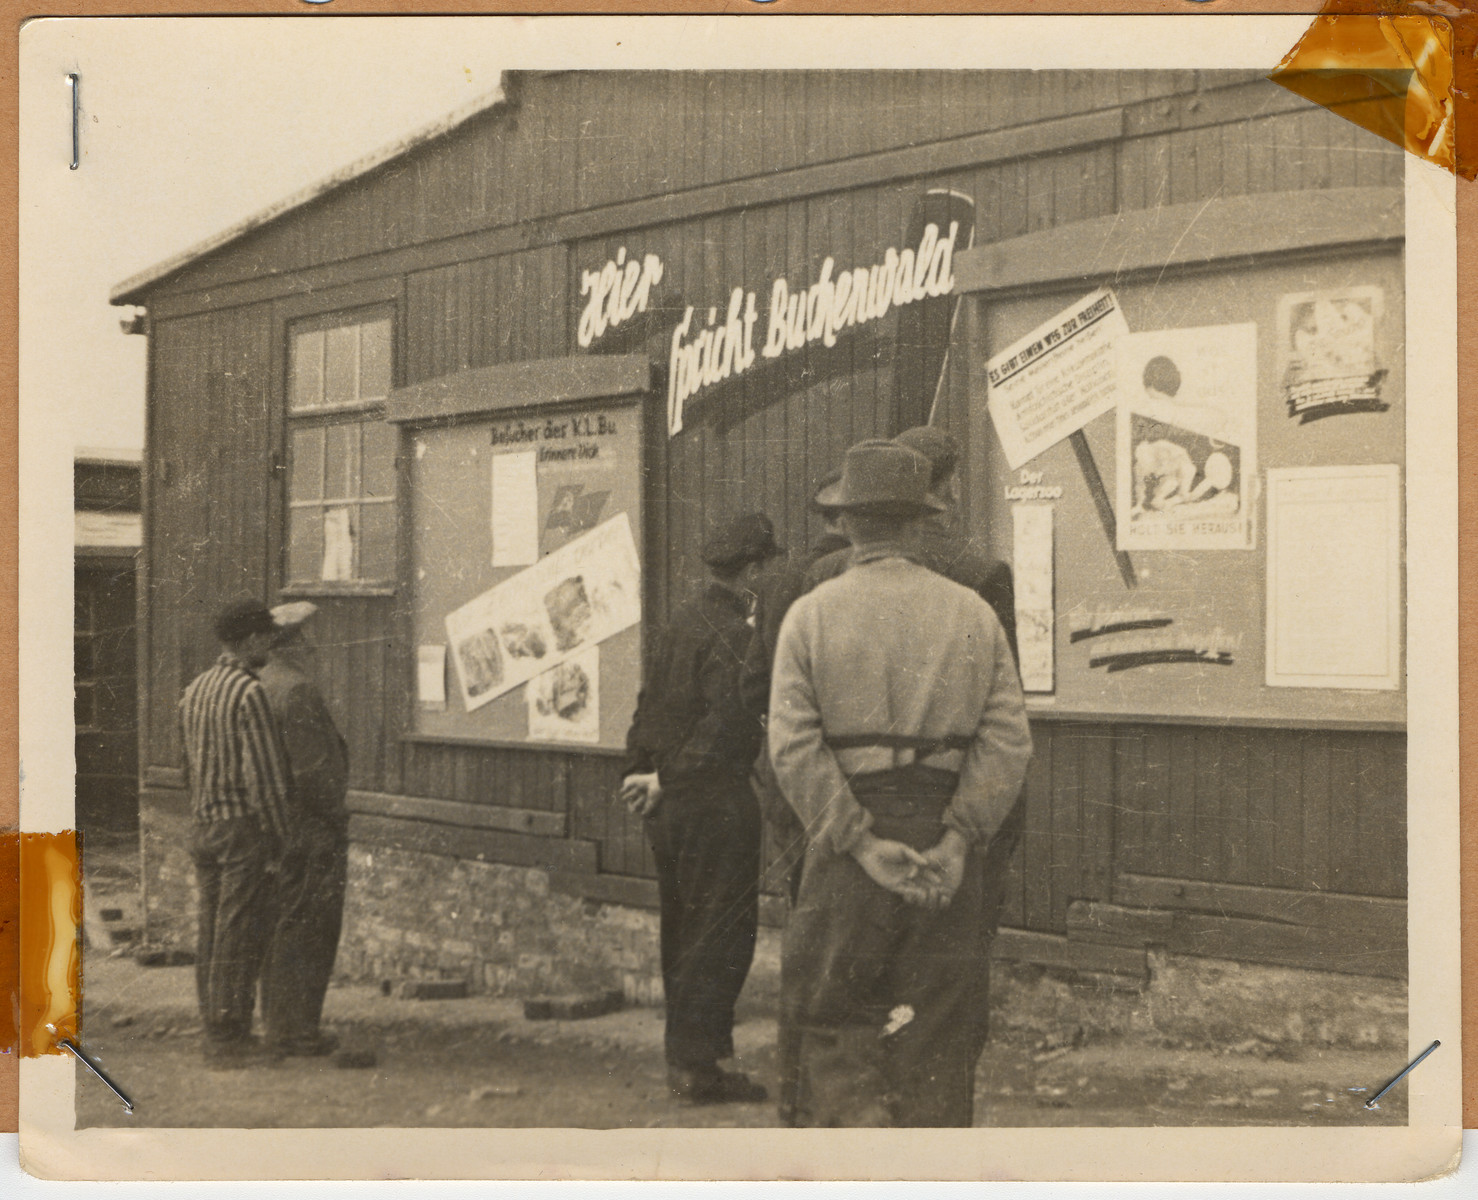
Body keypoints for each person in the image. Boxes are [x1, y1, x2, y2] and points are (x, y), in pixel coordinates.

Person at [770, 440, 1033, 1126]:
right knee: (941, 1034)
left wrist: (858, 843)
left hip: (847, 847)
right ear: (921, 524)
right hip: (944, 839)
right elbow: (1008, 740)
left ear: (849, 524)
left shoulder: (811, 615)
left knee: (833, 1026)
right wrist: (957, 840)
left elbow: (791, 745)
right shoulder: (972, 613)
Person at [621, 513, 781, 1105]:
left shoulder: (681, 620)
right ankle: (700, 1068)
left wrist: (640, 772)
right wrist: (663, 777)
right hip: (710, 799)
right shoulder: (740, 633)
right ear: (754, 570)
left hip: (667, 804)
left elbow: (650, 706)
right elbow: (727, 731)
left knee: (683, 929)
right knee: (720, 934)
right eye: (766, 567)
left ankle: (684, 1057)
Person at [735, 473, 846, 1126]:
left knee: (806, 921)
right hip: (856, 781)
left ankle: (798, 1084)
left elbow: (755, 688)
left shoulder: (777, 585)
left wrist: (779, 744)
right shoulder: (859, 579)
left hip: (787, 773)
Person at [179, 598, 297, 1067]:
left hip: (203, 823)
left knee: (211, 927)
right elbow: (264, 778)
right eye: (265, 636)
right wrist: (282, 837)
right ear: (250, 641)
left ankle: (214, 1026)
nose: (269, 643)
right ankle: (230, 1039)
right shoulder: (250, 693)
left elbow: (188, 767)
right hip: (240, 829)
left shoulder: (194, 690)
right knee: (238, 930)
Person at [257, 601, 351, 1057]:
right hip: (310, 828)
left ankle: (279, 1024)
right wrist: (337, 817)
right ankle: (296, 1030)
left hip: (274, 826)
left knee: (282, 923)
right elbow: (313, 772)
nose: (312, 647)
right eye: (306, 638)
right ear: (289, 644)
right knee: (310, 927)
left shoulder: (260, 684)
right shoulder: (296, 691)